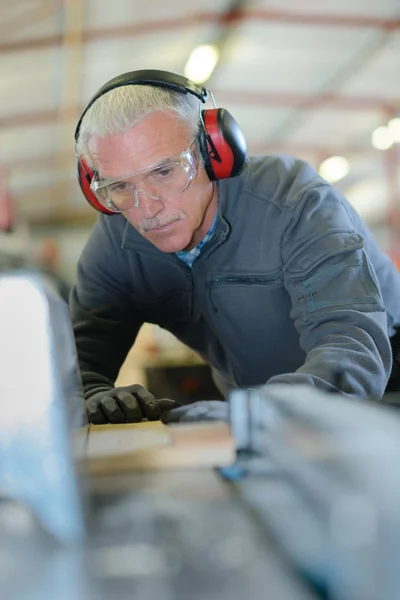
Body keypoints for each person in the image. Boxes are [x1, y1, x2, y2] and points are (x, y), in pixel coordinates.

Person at [70, 69, 400, 425]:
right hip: (258, 405)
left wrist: (251, 416)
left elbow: (352, 351)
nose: (146, 209)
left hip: (381, 391)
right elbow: (76, 361)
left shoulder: (294, 203)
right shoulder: (115, 244)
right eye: (120, 186)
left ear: (214, 151)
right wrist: (88, 395)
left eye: (164, 172)